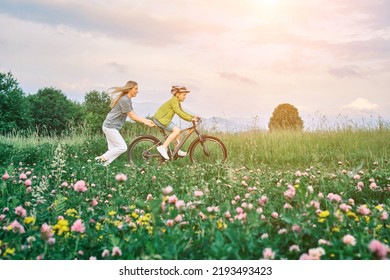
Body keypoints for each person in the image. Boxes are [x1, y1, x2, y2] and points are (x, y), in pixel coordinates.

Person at [96, 80, 155, 166]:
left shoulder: (127, 100)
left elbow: (133, 114)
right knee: (122, 147)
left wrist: (147, 121)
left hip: (111, 126)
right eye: (136, 89)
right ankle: (99, 159)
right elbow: (132, 117)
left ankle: (102, 166)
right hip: (110, 126)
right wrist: (145, 122)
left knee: (112, 150)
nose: (137, 91)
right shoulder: (125, 100)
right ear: (129, 89)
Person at [153, 85, 198, 160]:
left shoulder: (176, 101)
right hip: (160, 119)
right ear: (177, 94)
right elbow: (179, 112)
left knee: (178, 131)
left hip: (164, 119)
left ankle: (177, 150)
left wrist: (193, 117)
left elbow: (182, 111)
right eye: (184, 95)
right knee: (176, 130)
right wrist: (191, 119)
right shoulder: (174, 101)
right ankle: (163, 147)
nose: (185, 97)